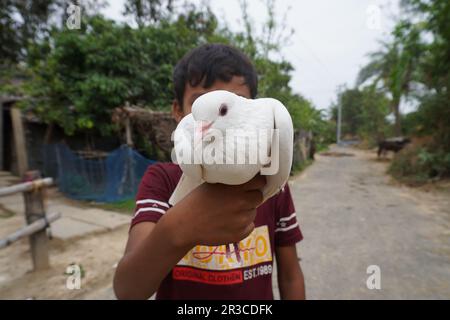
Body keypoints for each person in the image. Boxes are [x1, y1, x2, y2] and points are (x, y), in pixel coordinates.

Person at [113, 43, 305, 300]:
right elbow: (128, 291)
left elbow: (291, 275)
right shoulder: (162, 180)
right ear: (178, 112)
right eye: (196, 106)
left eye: (232, 103)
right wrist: (178, 227)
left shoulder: (271, 179)